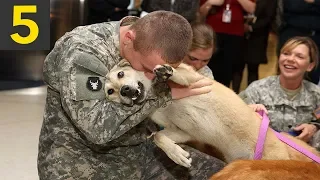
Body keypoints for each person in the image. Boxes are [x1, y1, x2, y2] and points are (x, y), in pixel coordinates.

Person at [37, 11, 225, 179]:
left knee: (231, 174)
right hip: (80, 163)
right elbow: (96, 129)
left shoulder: (156, 38)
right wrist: (165, 94)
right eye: (147, 68)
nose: (153, 76)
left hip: (141, 152)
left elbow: (199, 77)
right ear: (128, 38)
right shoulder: (82, 52)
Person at [239, 36, 320, 150]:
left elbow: (318, 120)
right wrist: (249, 111)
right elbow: (233, 117)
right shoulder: (257, 89)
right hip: (262, 157)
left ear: (310, 65)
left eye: (299, 56)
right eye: (286, 53)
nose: (290, 59)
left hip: (302, 160)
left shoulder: (316, 95)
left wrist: (314, 127)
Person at [199, 0, 255, 88]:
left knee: (229, 69)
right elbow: (201, 13)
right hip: (213, 32)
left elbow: (252, 8)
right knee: (210, 66)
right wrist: (209, 3)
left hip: (235, 34)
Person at [232, 0, 277, 93]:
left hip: (258, 37)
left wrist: (251, 27)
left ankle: (252, 96)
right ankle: (234, 94)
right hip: (238, 35)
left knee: (253, 69)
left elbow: (269, 18)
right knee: (237, 68)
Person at [276, 0, 320, 84]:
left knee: (313, 74)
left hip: (317, 38)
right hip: (292, 36)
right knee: (289, 71)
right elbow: (291, 6)